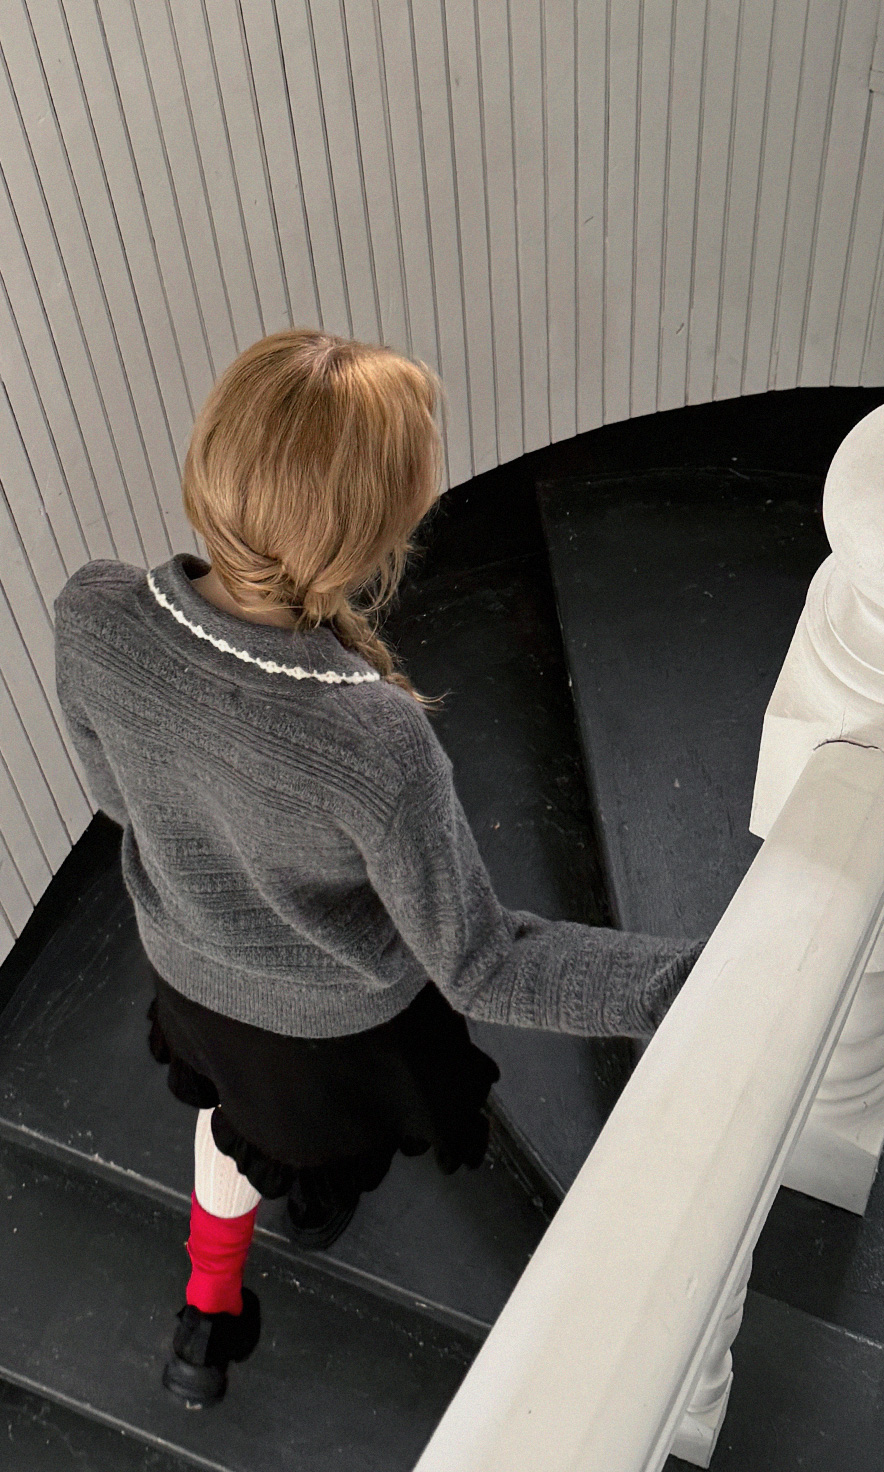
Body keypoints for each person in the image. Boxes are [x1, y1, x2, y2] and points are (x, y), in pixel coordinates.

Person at [52, 328, 706, 1411]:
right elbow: (483, 966)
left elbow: (121, 803)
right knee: (301, 1135)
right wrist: (686, 982)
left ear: (214, 457)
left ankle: (206, 1315)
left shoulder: (94, 612)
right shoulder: (373, 742)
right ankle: (309, 1199)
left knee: (230, 1119)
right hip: (334, 1031)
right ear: (376, 540)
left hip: (190, 976)